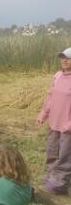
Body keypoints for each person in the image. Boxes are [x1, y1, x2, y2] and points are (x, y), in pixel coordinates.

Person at [37, 47, 71, 195]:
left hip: (67, 125)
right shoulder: (57, 76)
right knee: (52, 151)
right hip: (53, 122)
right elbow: (50, 97)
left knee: (65, 155)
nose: (64, 60)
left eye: (68, 58)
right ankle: (51, 176)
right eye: (62, 57)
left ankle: (60, 183)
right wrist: (43, 113)